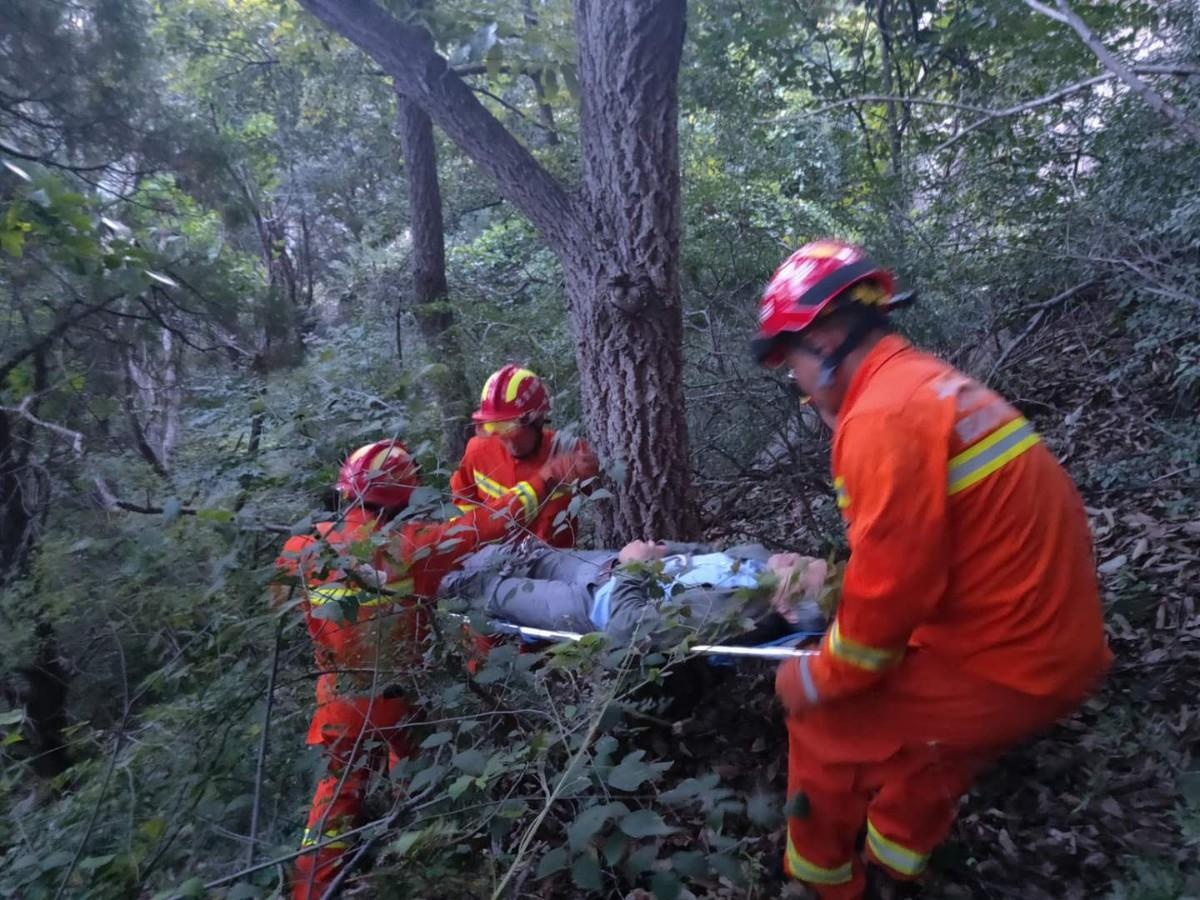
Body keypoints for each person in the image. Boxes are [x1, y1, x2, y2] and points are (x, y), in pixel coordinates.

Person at [750, 239, 1111, 899]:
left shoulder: (883, 417)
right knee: (926, 737)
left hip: (1004, 662)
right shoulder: (925, 384)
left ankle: (822, 883)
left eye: (791, 363)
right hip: (1048, 645)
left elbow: (887, 601)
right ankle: (898, 861)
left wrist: (816, 676)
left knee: (825, 723)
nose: (796, 384)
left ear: (823, 339)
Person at [275, 437, 596, 900]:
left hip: (337, 698)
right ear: (402, 499)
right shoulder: (410, 545)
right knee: (417, 765)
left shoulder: (302, 547)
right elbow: (489, 524)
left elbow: (287, 607)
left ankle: (311, 889)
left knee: (334, 798)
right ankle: (419, 850)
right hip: (399, 695)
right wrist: (547, 478)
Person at [437, 539, 828, 644]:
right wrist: (663, 550)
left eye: (798, 570)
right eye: (807, 557)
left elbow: (627, 626)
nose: (795, 556)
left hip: (592, 605)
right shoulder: (758, 561)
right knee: (517, 554)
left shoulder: (732, 612)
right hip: (609, 566)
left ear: (788, 609)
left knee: (488, 591)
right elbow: (704, 552)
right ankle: (443, 555)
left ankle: (424, 589)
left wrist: (634, 566)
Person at [450, 364, 590, 548]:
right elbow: (462, 503)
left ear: (537, 419)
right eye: (495, 427)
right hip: (496, 560)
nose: (506, 438)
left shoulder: (568, 452)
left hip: (557, 561)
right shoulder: (477, 452)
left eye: (509, 426)